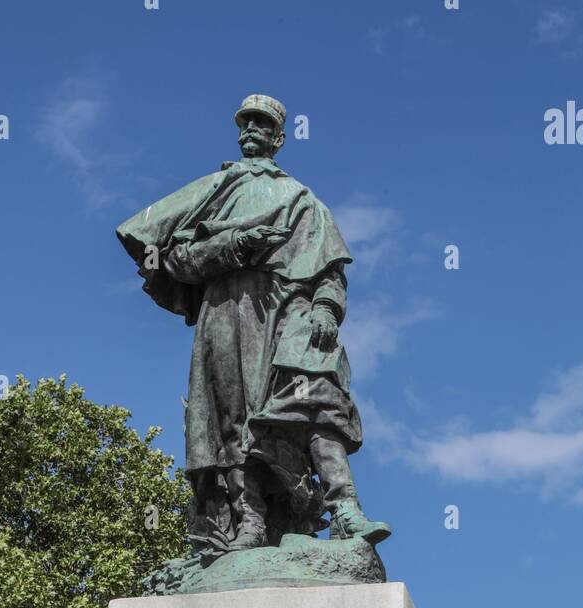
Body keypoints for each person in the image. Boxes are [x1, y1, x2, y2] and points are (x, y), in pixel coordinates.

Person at [117, 94, 390, 553]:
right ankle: (251, 522)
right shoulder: (214, 190)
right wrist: (235, 245)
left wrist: (325, 308)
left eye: (261, 125)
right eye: (245, 123)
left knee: (316, 399)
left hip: (288, 309)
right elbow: (177, 260)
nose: (251, 131)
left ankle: (345, 508)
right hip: (225, 309)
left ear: (279, 138)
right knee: (232, 417)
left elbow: (330, 273)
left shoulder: (301, 199)